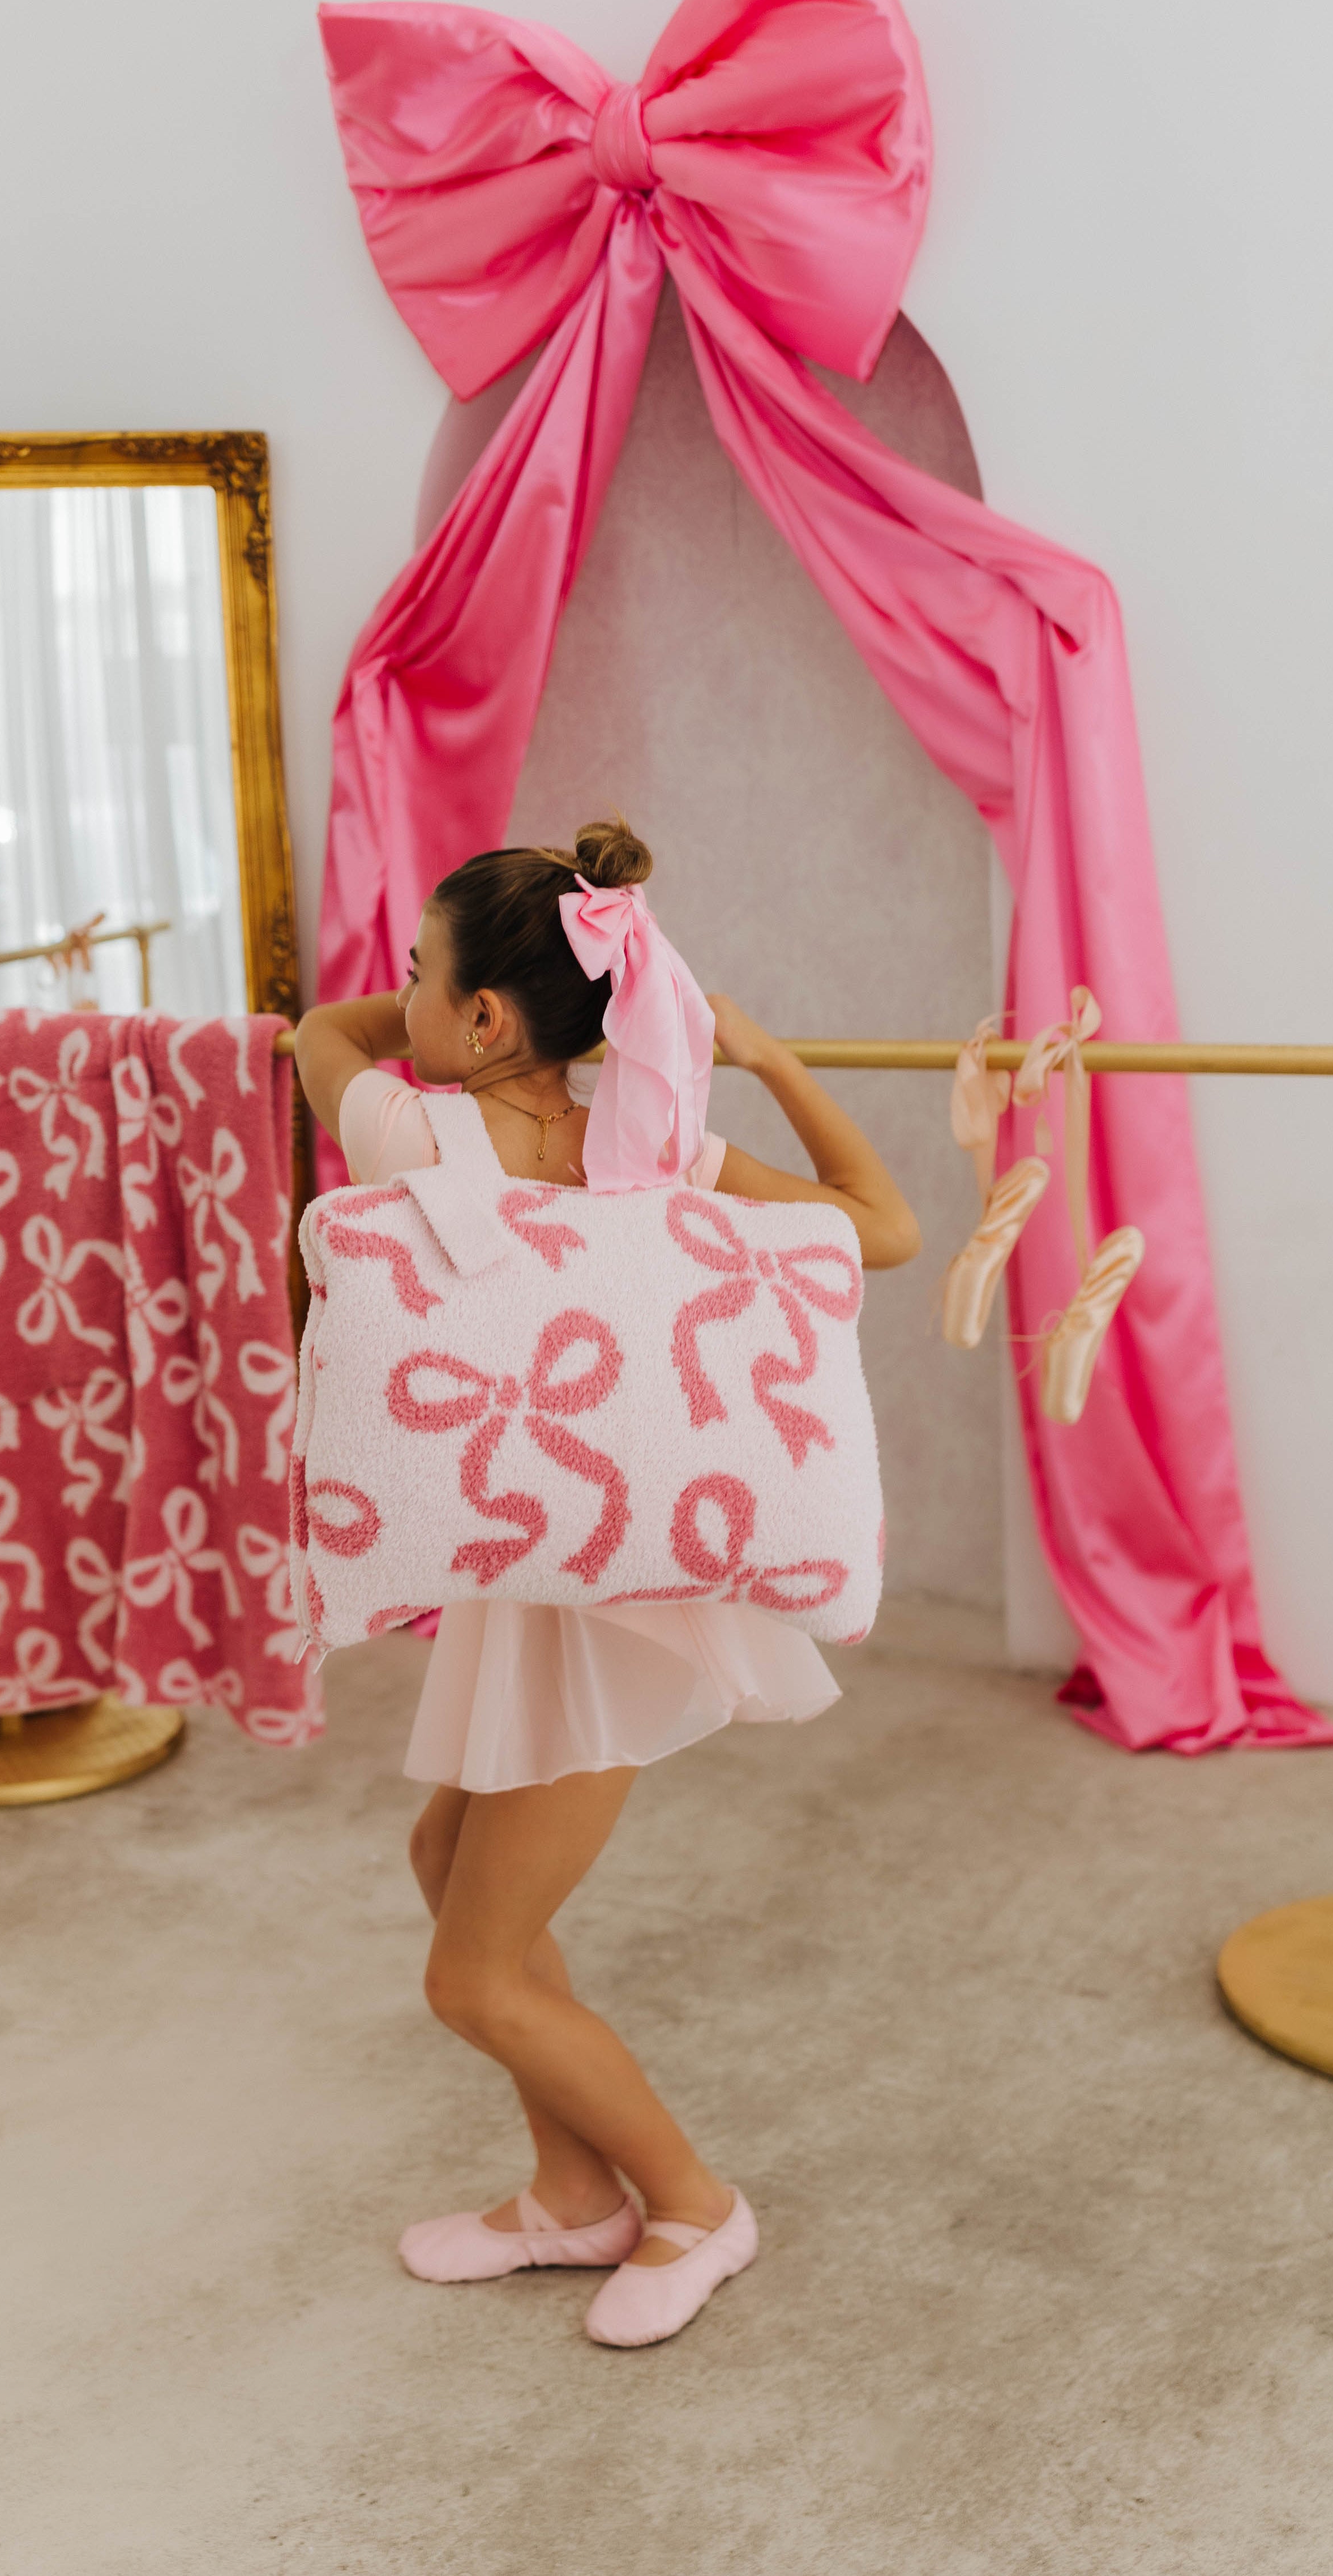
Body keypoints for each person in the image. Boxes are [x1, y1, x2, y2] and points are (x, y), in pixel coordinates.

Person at [293, 817, 919, 2348]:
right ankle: (572, 2199)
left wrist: (455, 1017)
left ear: (485, 1017)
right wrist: (746, 1054)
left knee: (473, 1972)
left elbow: (327, 1029)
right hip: (573, 1571)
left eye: (428, 974)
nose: (403, 994)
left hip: (602, 1612)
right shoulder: (663, 1155)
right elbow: (887, 1228)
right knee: (448, 1866)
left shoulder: (406, 1135)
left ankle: (694, 2200)